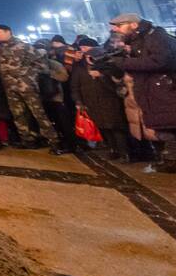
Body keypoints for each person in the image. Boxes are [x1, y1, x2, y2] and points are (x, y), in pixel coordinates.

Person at [107, 13, 176, 172]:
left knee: (167, 128)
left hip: (164, 90)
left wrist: (124, 62)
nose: (116, 29)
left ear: (133, 24)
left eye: (119, 26)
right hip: (152, 91)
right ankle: (168, 159)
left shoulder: (156, 36)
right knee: (162, 128)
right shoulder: (136, 40)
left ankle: (171, 160)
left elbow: (160, 61)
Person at [0, 25, 61, 153]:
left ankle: (54, 141)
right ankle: (27, 140)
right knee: (18, 114)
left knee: (38, 113)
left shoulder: (24, 46)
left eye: (0, 32)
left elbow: (41, 65)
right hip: (10, 87)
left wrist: (27, 76)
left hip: (26, 86)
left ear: (9, 32)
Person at [70, 37, 130, 161]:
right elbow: (74, 87)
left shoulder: (108, 69)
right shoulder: (80, 70)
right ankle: (112, 149)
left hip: (110, 102)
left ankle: (124, 152)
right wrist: (78, 101)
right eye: (87, 57)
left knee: (117, 128)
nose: (90, 60)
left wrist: (102, 76)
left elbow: (116, 88)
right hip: (91, 103)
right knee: (103, 128)